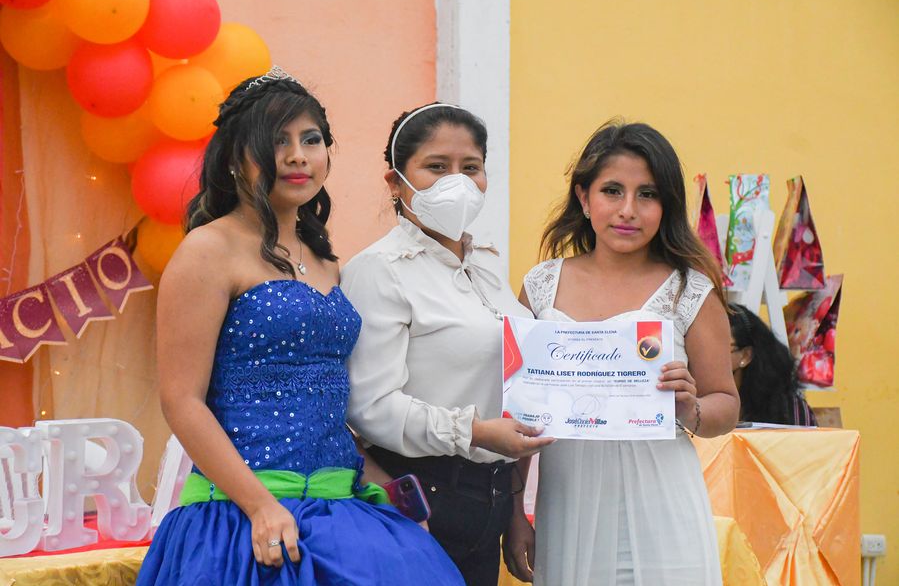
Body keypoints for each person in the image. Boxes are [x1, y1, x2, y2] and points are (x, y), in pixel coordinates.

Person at [137, 69, 463, 585]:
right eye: (276, 141)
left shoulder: (325, 260)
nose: (297, 156)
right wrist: (260, 507)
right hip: (243, 518)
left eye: (311, 140)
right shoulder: (208, 250)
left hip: (338, 508)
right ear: (234, 158)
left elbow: (325, 398)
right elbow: (181, 401)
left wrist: (388, 488)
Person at [517, 121, 740, 585]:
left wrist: (690, 407)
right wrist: (516, 510)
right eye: (612, 191)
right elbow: (519, 409)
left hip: (663, 499)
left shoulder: (690, 291)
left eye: (648, 194)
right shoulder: (540, 287)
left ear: (667, 205)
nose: (628, 210)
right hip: (568, 499)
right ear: (584, 197)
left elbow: (726, 403)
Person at [341, 103, 554, 585]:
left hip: (490, 500)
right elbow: (370, 408)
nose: (456, 182)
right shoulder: (379, 270)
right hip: (418, 501)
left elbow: (510, 388)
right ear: (395, 182)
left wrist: (514, 509)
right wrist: (474, 432)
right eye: (437, 167)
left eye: (470, 167)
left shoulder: (486, 266)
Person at [728, 303, 817, 426]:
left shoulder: (787, 408)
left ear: (745, 356)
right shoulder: (701, 402)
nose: (704, 356)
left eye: (716, 347)